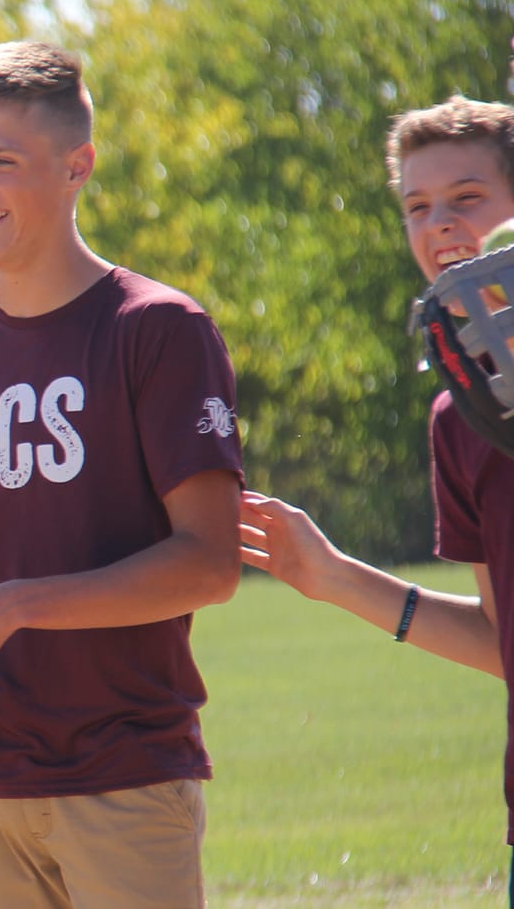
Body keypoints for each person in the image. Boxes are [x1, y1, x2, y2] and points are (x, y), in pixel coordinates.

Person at [0, 41, 245, 907]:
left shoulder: (158, 329)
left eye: (0, 162)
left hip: (125, 776)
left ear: (77, 166)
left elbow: (209, 564)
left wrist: (12, 606)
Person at [238, 95, 514, 895]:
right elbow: (503, 640)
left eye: (468, 198)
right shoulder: (459, 414)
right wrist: (334, 578)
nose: (440, 225)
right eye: (417, 207)